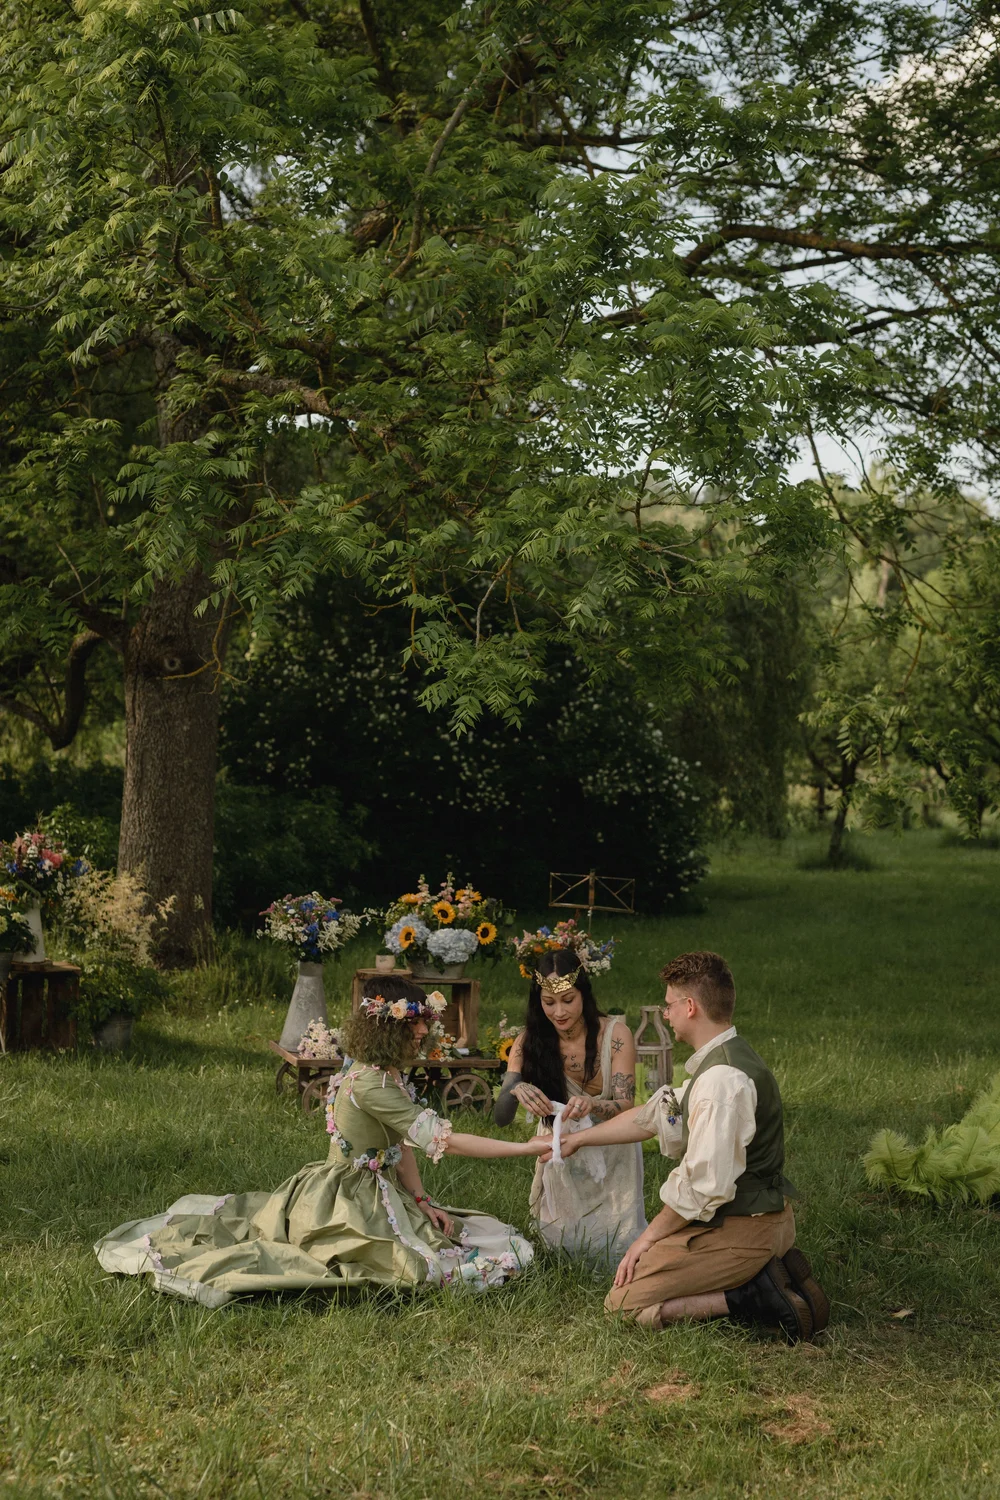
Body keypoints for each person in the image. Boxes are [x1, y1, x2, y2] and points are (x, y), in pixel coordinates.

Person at [95, 977, 536, 1307]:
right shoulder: (373, 1083)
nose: (423, 1031)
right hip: (347, 1198)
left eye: (424, 1022)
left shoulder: (377, 1069)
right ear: (385, 1027)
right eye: (414, 1023)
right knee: (430, 1264)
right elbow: (445, 1140)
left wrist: (421, 1200)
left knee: (464, 1234)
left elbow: (398, 1148)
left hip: (364, 1185)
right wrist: (528, 1148)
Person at [548, 951, 829, 1341]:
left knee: (623, 1304)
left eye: (669, 1006)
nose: (666, 1015)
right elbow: (655, 1115)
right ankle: (764, 1276)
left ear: (690, 1007)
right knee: (640, 1278)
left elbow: (701, 1186)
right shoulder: (723, 1060)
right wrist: (577, 1139)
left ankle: (754, 1294)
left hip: (746, 1230)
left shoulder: (720, 1082)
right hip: (755, 1220)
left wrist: (646, 1239)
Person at [493, 947, 645, 1262]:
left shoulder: (615, 1035)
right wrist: (515, 1087)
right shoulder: (528, 1041)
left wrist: (592, 1104)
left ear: (583, 994)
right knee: (561, 1247)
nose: (559, 1012)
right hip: (560, 1148)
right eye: (549, 1003)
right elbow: (501, 1118)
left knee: (616, 1245)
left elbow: (626, 1105)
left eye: (568, 1000)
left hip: (611, 1145)